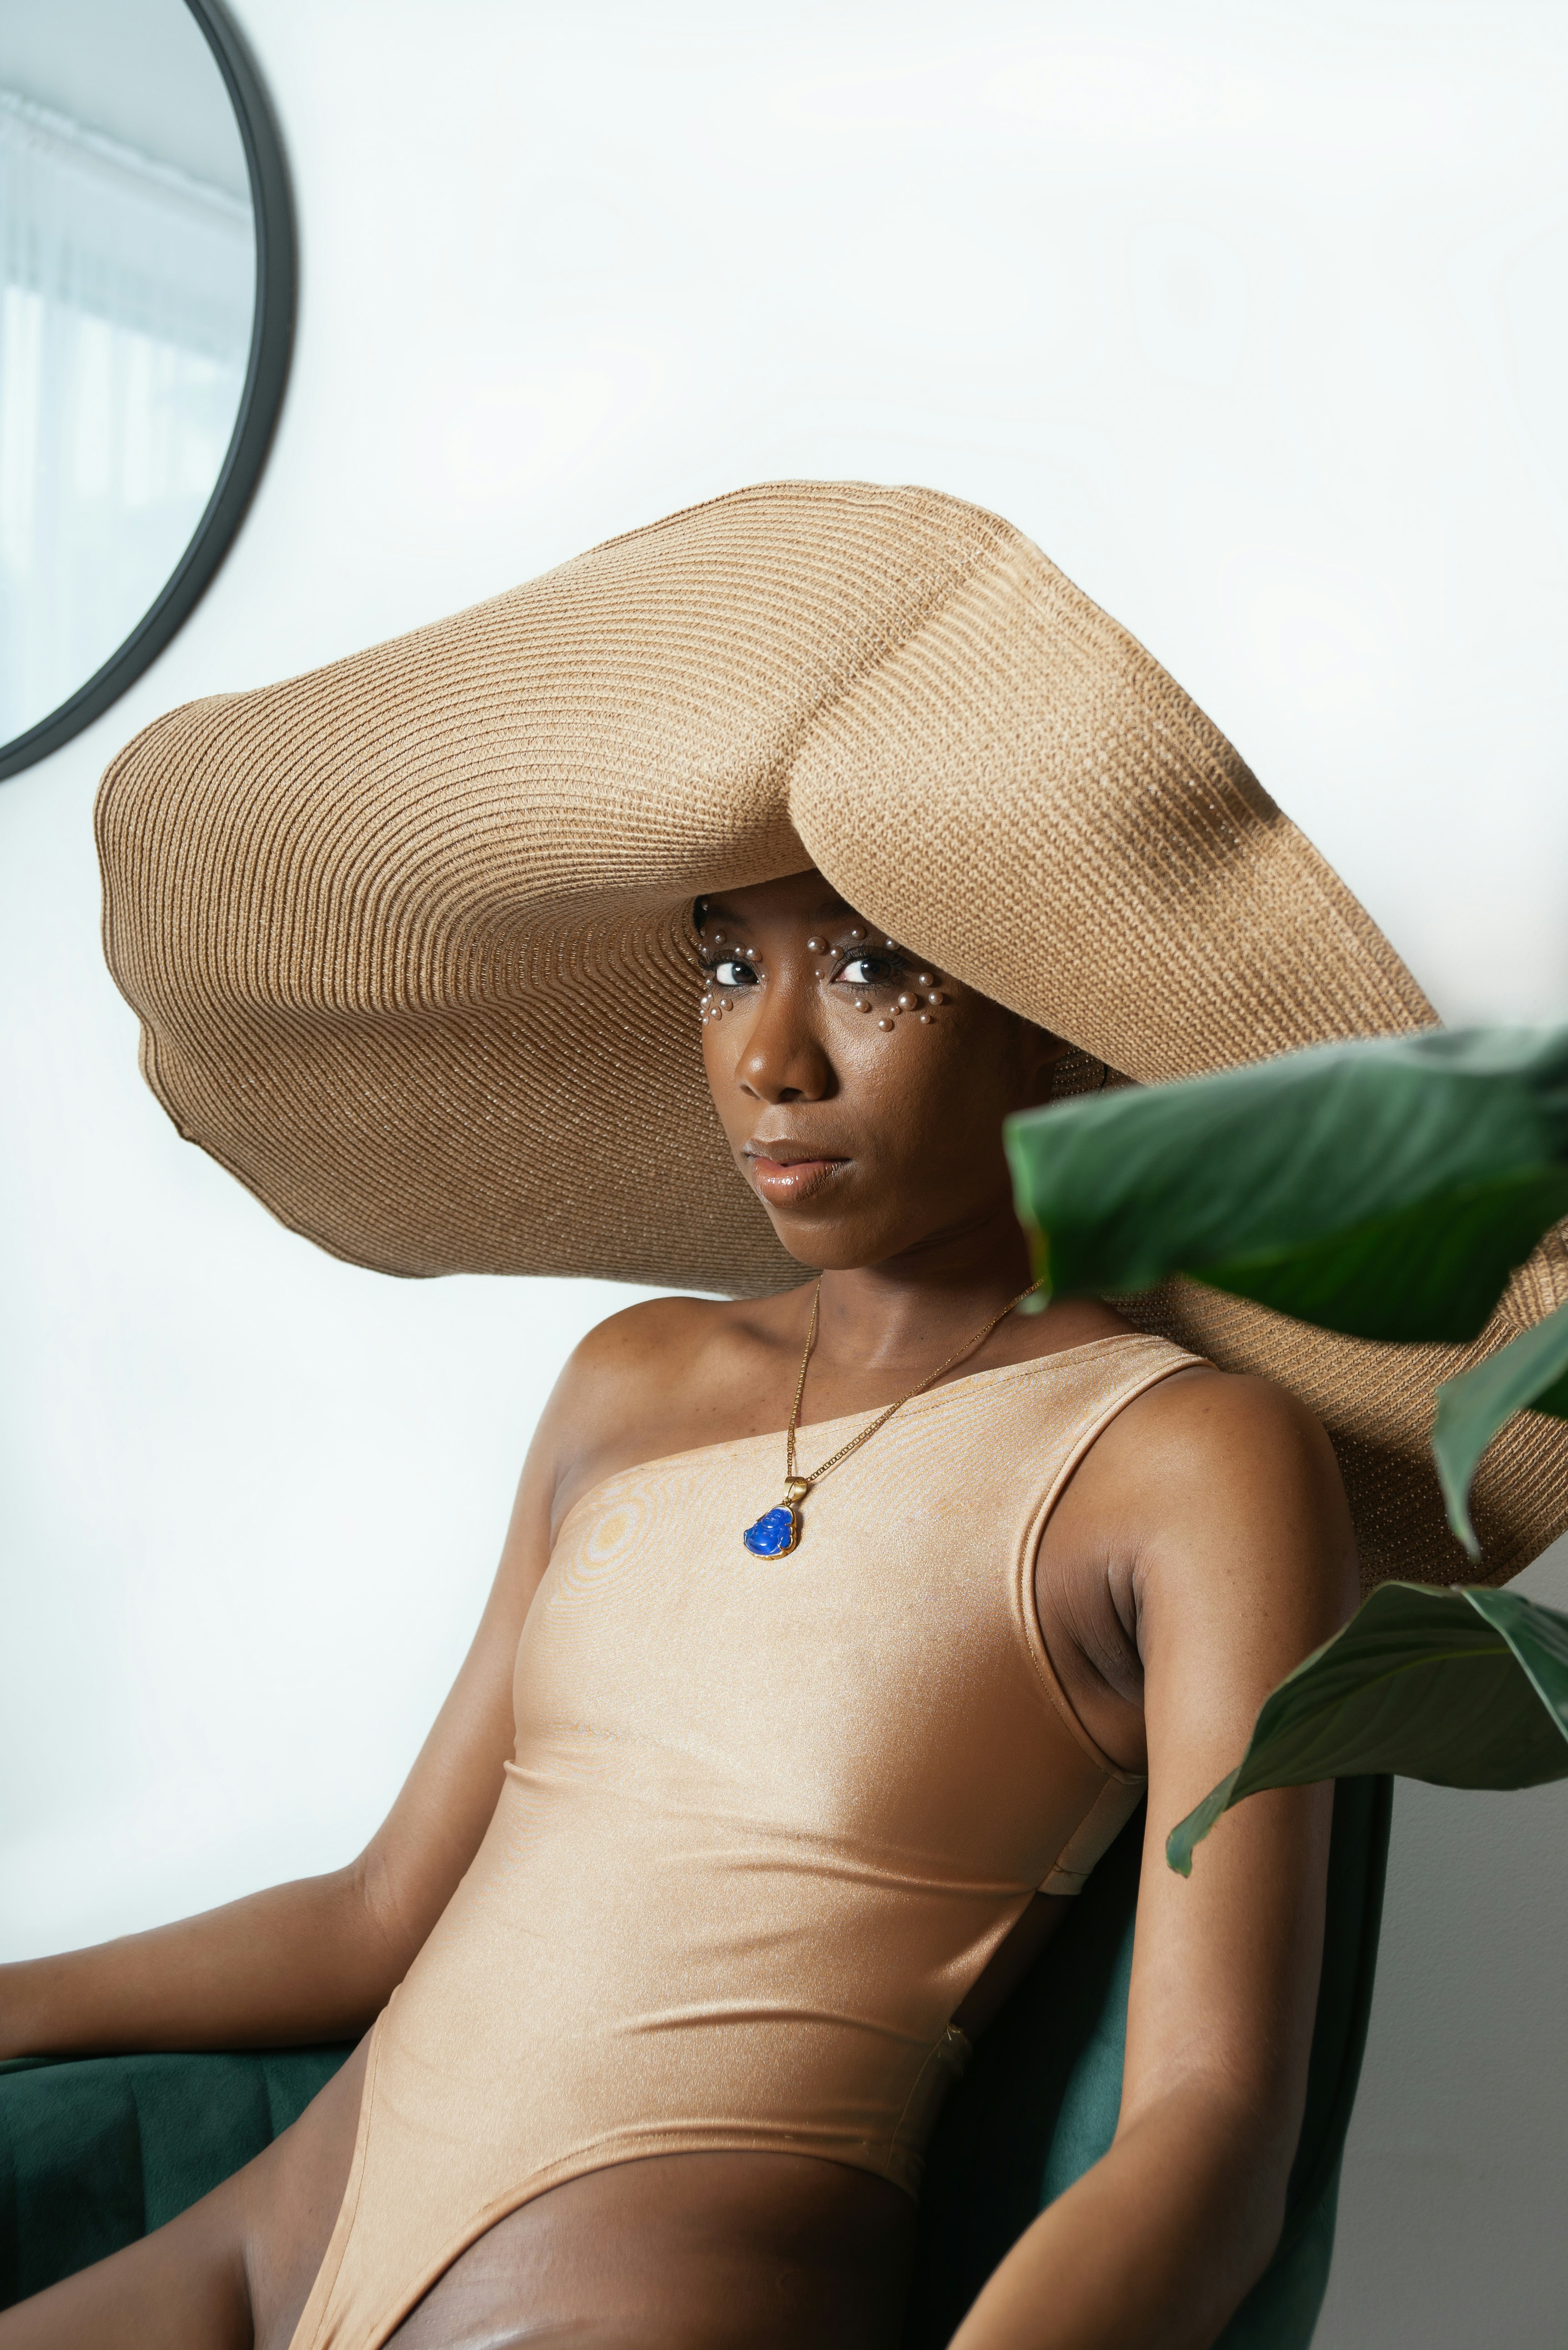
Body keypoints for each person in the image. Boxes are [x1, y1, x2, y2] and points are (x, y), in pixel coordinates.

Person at [5, 483, 1563, 2349]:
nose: (770, 1055)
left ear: (1048, 1016)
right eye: (729, 962)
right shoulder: (632, 1381)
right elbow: (378, 1912)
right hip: (253, 2260)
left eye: (873, 965)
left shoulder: (1181, 1459)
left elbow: (1212, 2132)